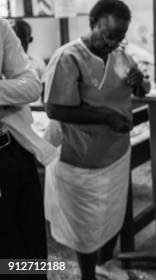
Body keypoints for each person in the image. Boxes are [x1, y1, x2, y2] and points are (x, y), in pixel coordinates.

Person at [43, 0, 150, 280]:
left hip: (114, 154)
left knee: (107, 217)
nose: (114, 42)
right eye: (109, 34)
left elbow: (141, 90)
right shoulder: (69, 58)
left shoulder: (119, 55)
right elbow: (54, 108)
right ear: (92, 23)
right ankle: (87, 274)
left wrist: (139, 81)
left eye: (120, 36)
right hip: (80, 157)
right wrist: (106, 117)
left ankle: (103, 265)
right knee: (84, 226)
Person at [0, 18, 52, 277]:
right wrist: (9, 94)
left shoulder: (0, 27)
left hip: (14, 148)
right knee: (7, 250)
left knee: (33, 245)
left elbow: (31, 87)